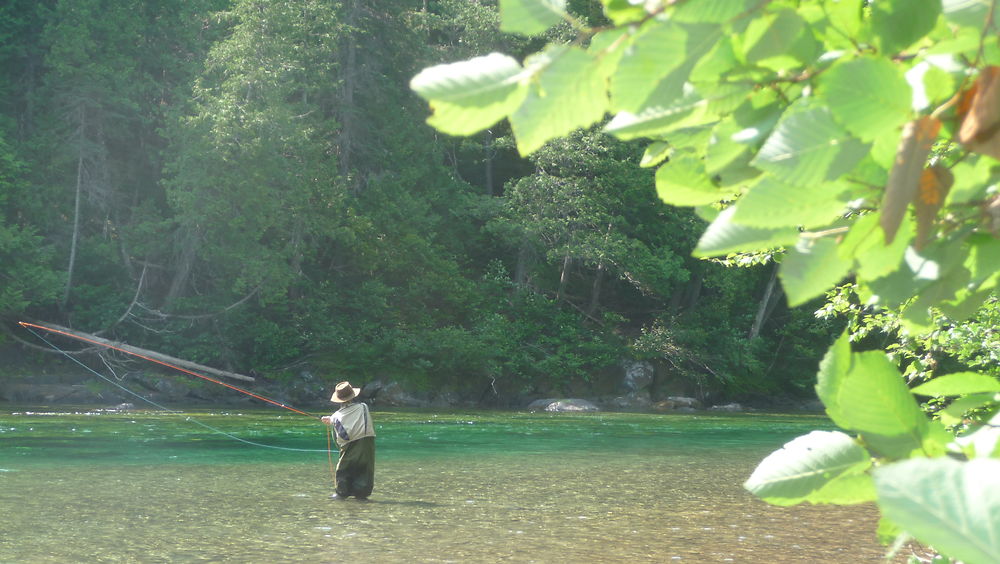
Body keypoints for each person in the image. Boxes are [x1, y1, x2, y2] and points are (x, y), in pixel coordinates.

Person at [321, 381, 376, 500]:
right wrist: (331, 419)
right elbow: (349, 417)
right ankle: (362, 495)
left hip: (350, 445)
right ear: (352, 395)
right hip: (368, 442)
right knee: (365, 469)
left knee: (344, 469)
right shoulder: (363, 407)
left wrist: (330, 420)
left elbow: (341, 432)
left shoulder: (336, 415)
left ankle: (341, 494)